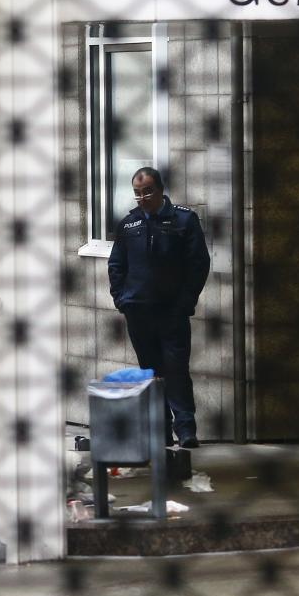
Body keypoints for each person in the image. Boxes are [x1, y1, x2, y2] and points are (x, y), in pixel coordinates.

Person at [108, 167, 211, 448]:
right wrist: (121, 299)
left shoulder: (183, 220)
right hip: (138, 312)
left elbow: (198, 264)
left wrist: (185, 302)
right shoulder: (129, 224)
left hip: (172, 311)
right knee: (151, 374)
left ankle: (186, 429)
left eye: (147, 192)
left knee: (176, 369)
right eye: (137, 193)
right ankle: (160, 430)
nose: (142, 198)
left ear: (161, 190)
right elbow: (117, 264)